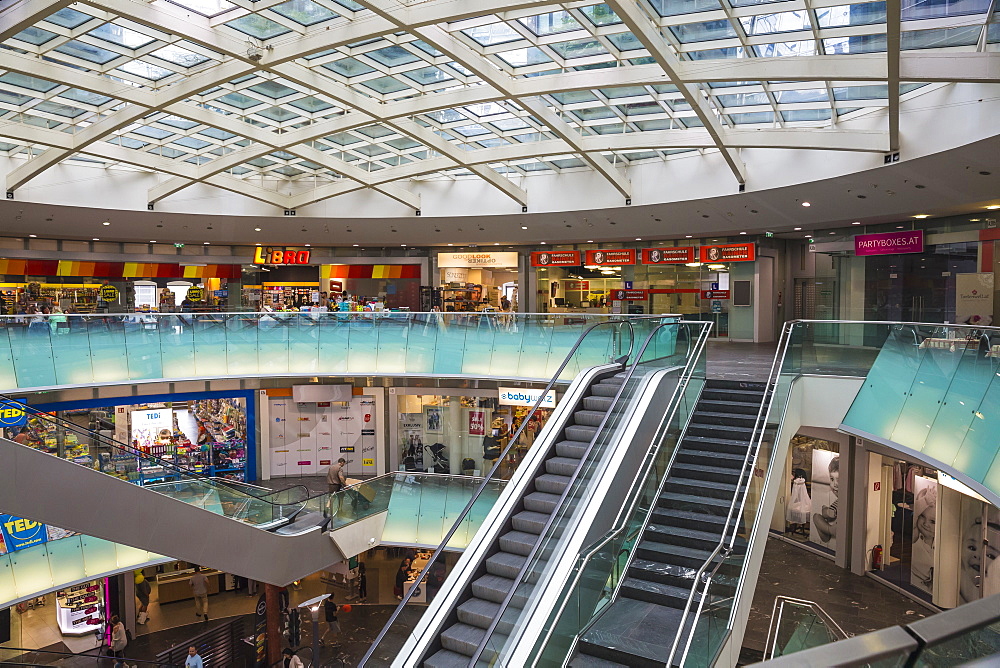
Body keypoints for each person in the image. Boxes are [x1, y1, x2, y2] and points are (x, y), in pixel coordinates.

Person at [812, 455, 839, 544]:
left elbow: (830, 513)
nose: (835, 484)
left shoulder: (841, 501)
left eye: (839, 480)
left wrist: (826, 511)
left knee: (817, 516)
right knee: (817, 516)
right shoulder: (838, 502)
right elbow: (831, 513)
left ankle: (830, 530)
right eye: (832, 479)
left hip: (837, 528)